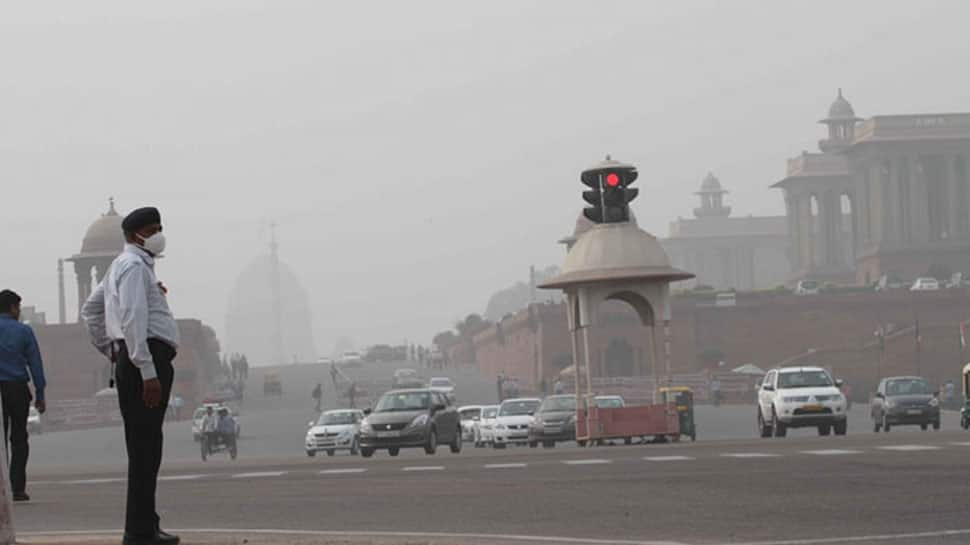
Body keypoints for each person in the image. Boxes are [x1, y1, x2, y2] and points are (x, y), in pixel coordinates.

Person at [81, 206, 180, 545]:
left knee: (145, 449)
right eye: (152, 230)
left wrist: (113, 351)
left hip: (135, 359)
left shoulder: (121, 268)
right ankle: (139, 531)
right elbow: (134, 317)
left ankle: (144, 525)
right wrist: (145, 368)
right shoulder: (134, 267)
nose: (158, 235)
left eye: (159, 228)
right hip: (146, 361)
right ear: (133, 235)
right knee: (145, 449)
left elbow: (91, 311)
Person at [0, 289, 47, 502]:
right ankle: (17, 488)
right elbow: (35, 363)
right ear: (12, 307)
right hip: (17, 388)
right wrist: (40, 392)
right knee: (19, 439)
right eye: (18, 307)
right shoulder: (23, 331)